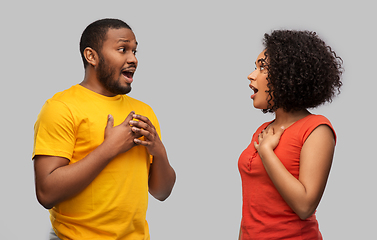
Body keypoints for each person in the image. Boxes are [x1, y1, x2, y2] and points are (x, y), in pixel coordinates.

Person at [33, 18, 176, 240]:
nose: (133, 59)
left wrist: (159, 150)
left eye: (135, 51)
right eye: (122, 49)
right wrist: (109, 148)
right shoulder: (61, 108)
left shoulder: (143, 111)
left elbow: (161, 192)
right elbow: (46, 193)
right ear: (91, 56)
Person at [238, 30, 343, 239]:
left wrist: (267, 152)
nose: (251, 75)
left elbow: (304, 206)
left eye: (262, 68)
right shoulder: (262, 131)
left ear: (288, 75)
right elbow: (251, 213)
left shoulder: (317, 129)